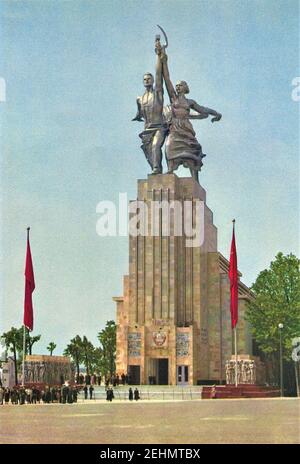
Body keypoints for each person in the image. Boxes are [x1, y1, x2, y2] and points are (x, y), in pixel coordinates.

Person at [160, 50, 222, 183]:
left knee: (191, 152)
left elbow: (203, 110)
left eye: (180, 85)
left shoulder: (190, 102)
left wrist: (216, 113)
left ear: (185, 88)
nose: (177, 87)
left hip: (186, 128)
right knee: (169, 146)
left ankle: (195, 180)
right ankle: (170, 169)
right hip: (175, 128)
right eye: (176, 86)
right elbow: (167, 79)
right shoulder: (173, 98)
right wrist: (164, 60)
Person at [132, 36, 168, 174]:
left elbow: (159, 74)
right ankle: (155, 168)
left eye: (149, 78)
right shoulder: (140, 99)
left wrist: (159, 55)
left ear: (153, 81)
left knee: (155, 147)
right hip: (147, 130)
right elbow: (140, 114)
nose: (147, 80)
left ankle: (157, 169)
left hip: (159, 127)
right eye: (145, 79)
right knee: (148, 152)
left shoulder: (157, 93)